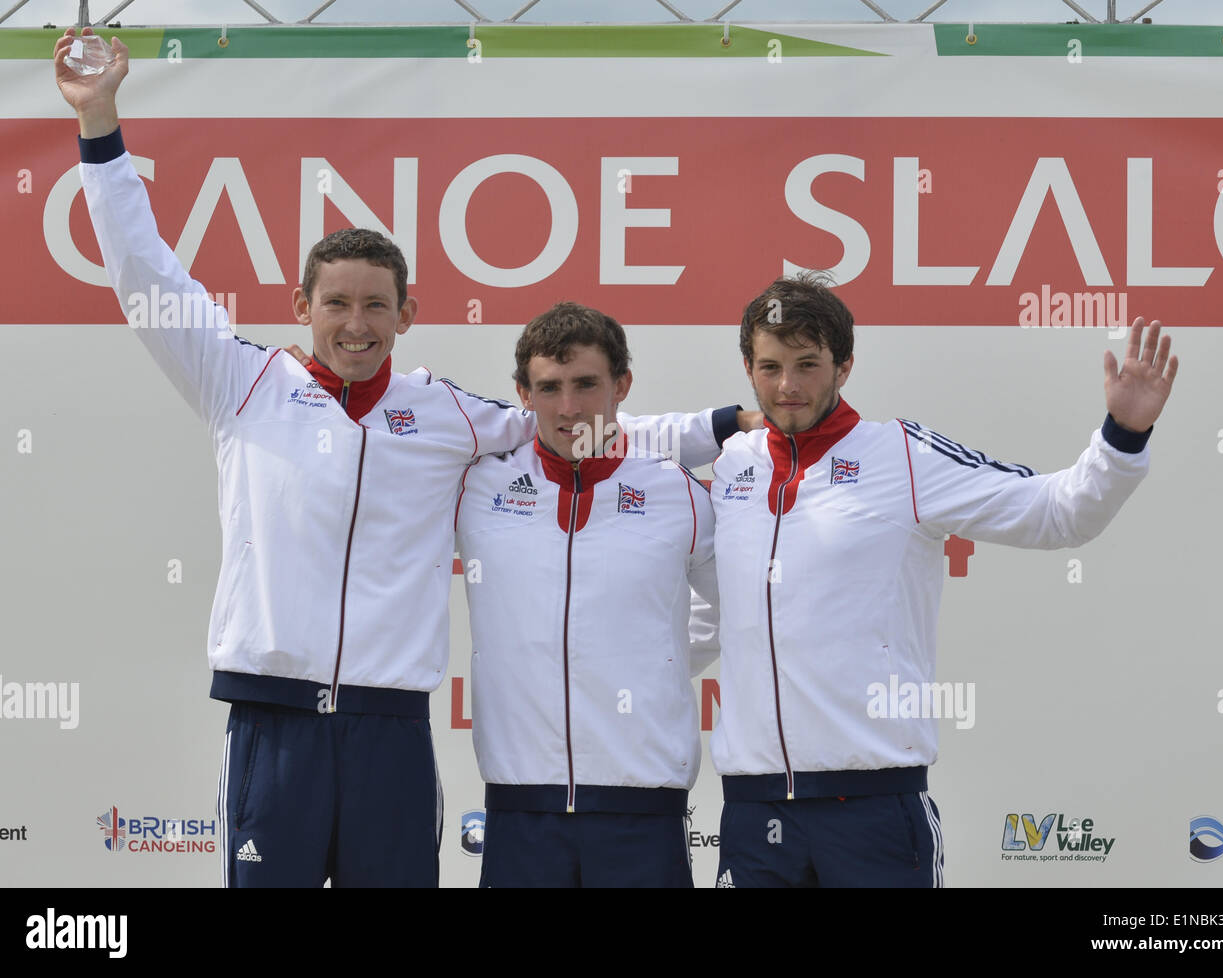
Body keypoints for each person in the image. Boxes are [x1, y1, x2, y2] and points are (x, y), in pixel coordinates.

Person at [55, 28, 743, 887]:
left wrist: (719, 424)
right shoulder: (239, 383)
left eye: (376, 305)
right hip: (274, 727)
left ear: (407, 313)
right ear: (299, 304)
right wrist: (100, 124)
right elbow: (143, 275)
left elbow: (579, 428)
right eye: (336, 302)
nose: (356, 323)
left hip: (391, 730)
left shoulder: (445, 411)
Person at [706, 271, 1178, 887]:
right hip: (753, 809)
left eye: (808, 364)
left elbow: (1057, 513)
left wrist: (1123, 435)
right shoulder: (730, 468)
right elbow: (709, 608)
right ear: (748, 367)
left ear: (844, 366)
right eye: (770, 367)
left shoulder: (902, 455)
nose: (788, 386)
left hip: (874, 807)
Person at [453, 303, 719, 887]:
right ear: (522, 393)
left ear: (622, 385)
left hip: (643, 808)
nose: (569, 408)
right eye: (549, 387)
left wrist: (654, 661)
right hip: (520, 809)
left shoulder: (677, 490)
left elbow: (737, 608)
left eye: (586, 385)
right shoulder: (475, 485)